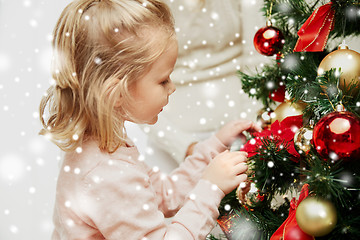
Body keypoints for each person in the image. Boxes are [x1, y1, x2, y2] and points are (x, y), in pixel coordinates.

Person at [39, 0, 260, 239]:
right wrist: (211, 188)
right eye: (163, 80)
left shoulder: (107, 146)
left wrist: (214, 146)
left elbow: (165, 194)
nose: (172, 88)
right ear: (117, 93)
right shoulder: (107, 173)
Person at [142, 0, 267, 163]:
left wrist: (250, 132)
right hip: (166, 134)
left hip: (242, 127)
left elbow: (259, 59)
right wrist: (185, 147)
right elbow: (134, 87)